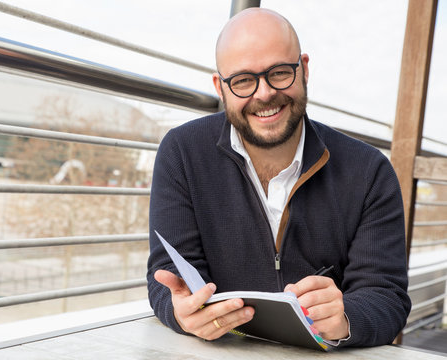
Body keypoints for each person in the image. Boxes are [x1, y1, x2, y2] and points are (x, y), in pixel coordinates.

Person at [146, 7, 411, 347]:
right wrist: (179, 312)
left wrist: (346, 317)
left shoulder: (369, 171)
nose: (264, 93)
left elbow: (387, 298)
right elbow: (167, 279)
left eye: (280, 72)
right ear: (220, 87)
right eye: (243, 80)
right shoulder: (181, 152)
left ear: (304, 69)